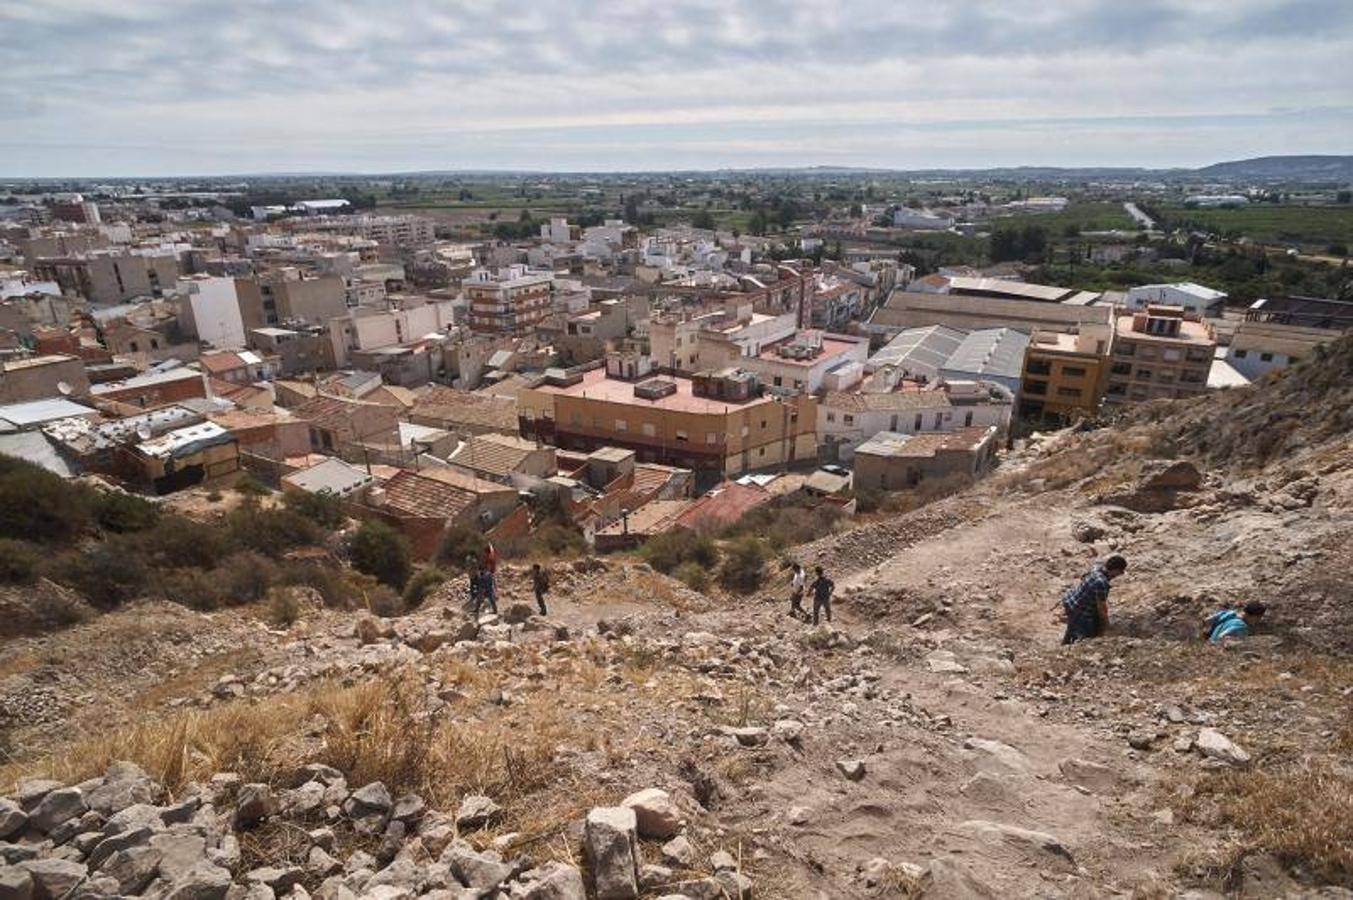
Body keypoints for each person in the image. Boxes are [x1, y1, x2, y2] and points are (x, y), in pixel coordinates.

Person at [1058, 555, 1127, 645]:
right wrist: (1106, 625)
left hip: (1072, 602)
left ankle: (1064, 646)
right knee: (1085, 637)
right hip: (1081, 612)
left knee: (1071, 630)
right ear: (1115, 569)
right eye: (1120, 571)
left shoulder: (1096, 568)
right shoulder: (1101, 582)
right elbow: (1101, 608)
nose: (1120, 574)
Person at [482, 542, 498, 607]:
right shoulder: (491, 556)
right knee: (494, 584)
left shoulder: (489, 557)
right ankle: (495, 596)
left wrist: (487, 572)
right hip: (492, 572)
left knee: (490, 586)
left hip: (490, 573)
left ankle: (492, 598)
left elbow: (488, 566)